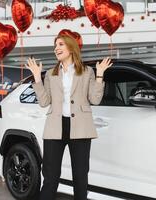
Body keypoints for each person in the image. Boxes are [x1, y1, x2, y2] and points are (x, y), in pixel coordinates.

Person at [26, 34, 112, 200]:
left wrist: (100, 74)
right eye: (55, 45)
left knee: (80, 177)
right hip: (54, 128)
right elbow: (44, 102)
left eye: (60, 44)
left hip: (80, 128)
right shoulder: (51, 74)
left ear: (71, 47)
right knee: (50, 178)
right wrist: (37, 77)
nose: (56, 48)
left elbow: (95, 99)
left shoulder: (87, 72)